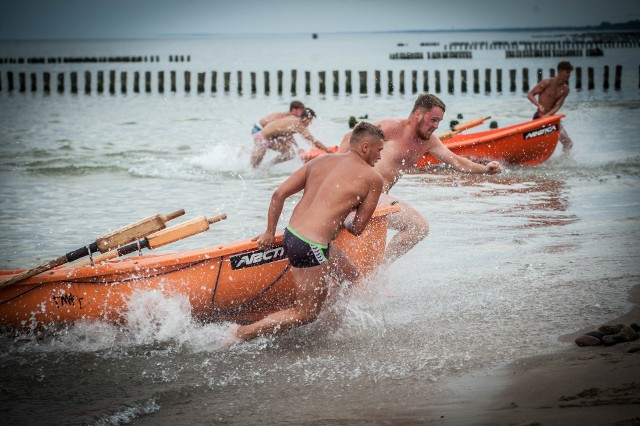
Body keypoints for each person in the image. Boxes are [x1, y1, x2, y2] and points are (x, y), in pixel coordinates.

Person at [233, 122, 385, 342]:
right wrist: (343, 216)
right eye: (379, 150)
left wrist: (269, 232)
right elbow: (358, 228)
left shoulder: (321, 160)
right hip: (310, 246)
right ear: (364, 148)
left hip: (292, 234)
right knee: (306, 313)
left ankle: (329, 328)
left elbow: (278, 194)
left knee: (350, 276)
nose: (380, 157)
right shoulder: (373, 178)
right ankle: (242, 332)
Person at [337, 93, 502, 268]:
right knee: (418, 227)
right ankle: (377, 272)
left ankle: (375, 272)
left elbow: (456, 161)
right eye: (433, 120)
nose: (436, 126)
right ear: (418, 114)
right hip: (361, 191)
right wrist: (334, 177)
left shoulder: (428, 141)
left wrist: (485, 170)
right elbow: (349, 138)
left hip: (379, 199)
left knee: (414, 230)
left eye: (439, 122)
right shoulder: (393, 127)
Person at [250, 108, 334, 168]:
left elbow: (288, 136)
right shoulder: (299, 125)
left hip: (263, 136)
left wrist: (298, 148)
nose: (310, 123)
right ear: (306, 118)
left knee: (289, 153)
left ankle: (266, 165)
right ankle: (267, 166)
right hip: (262, 138)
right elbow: (313, 141)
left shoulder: (294, 120)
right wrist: (328, 151)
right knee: (254, 167)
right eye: (310, 120)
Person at [527, 61, 574, 154]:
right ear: (560, 71)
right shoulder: (547, 82)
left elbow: (557, 106)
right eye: (567, 72)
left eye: (570, 73)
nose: (569, 75)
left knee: (568, 143)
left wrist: (548, 116)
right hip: (539, 116)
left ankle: (563, 163)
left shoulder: (565, 89)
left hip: (551, 119)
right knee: (538, 145)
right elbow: (530, 94)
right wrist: (538, 105)